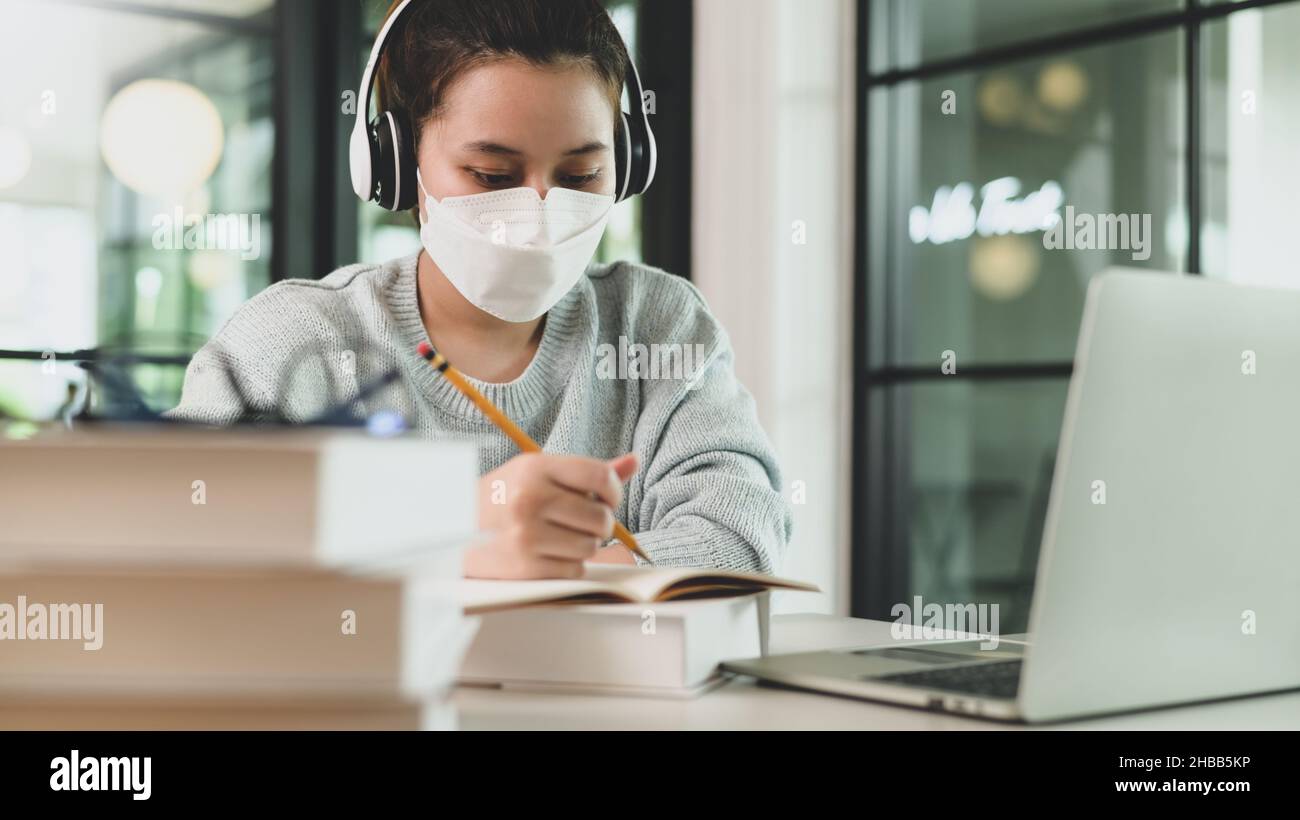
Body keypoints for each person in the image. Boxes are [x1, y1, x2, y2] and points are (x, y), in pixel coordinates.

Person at [168, 0, 791, 580]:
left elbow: (743, 532)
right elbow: (172, 533)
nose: (542, 212)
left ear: (626, 165)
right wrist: (457, 541)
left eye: (581, 175)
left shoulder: (659, 327)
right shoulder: (291, 342)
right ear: (397, 163)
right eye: (492, 175)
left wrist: (531, 571)